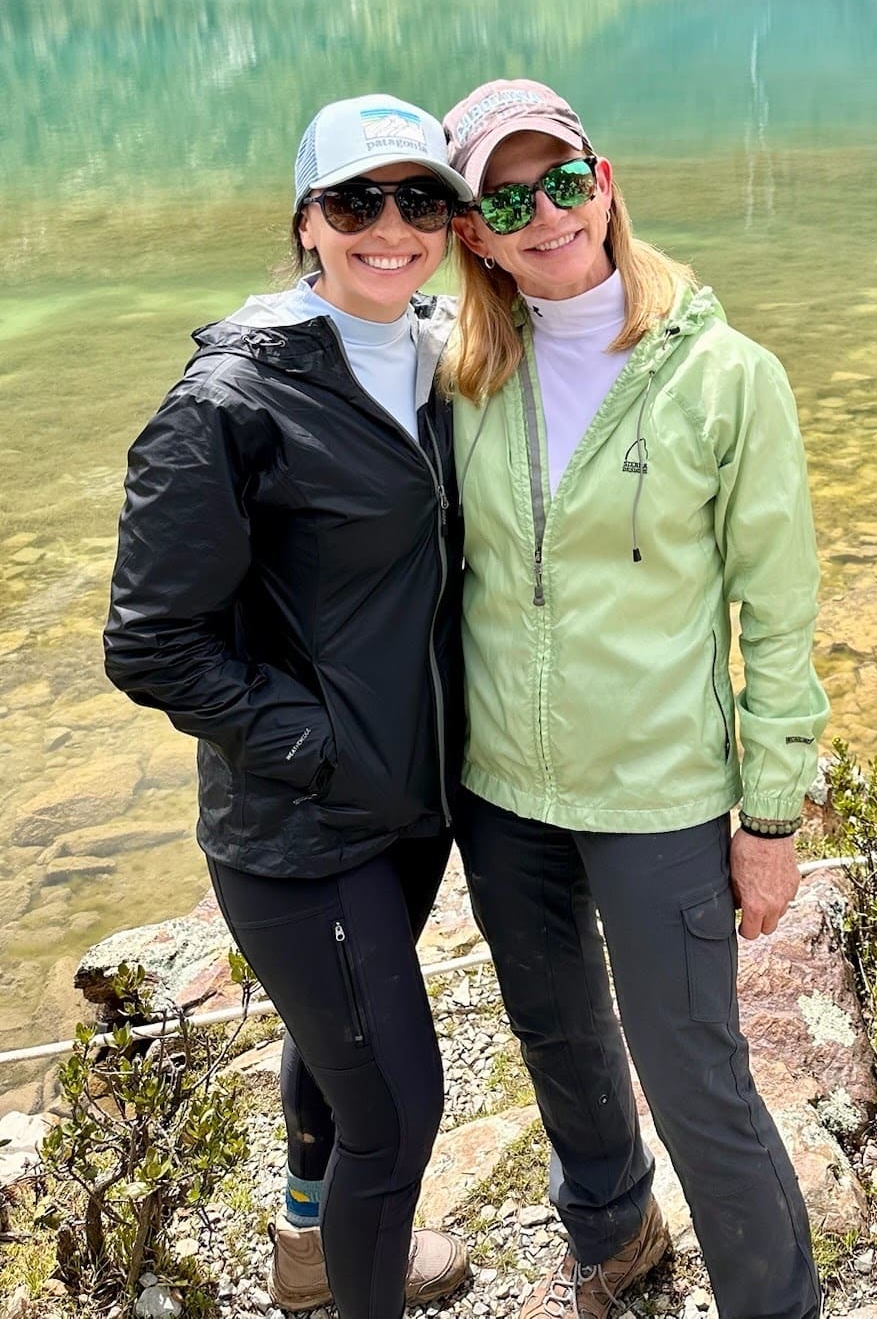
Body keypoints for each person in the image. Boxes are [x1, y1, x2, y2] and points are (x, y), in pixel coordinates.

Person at [444, 77, 830, 1319]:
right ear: (474, 232)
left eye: (563, 179)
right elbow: (332, 314)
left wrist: (769, 815)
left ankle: (775, 1301)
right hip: (503, 791)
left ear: (603, 181)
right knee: (559, 1042)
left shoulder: (727, 377)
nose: (545, 212)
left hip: (660, 792)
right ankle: (614, 1233)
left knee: (696, 1072)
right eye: (508, 197)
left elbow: (778, 613)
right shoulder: (456, 374)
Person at [103, 95, 476, 1319]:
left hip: (404, 806)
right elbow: (151, 640)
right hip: (303, 828)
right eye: (356, 201)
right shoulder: (227, 402)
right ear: (307, 220)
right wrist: (311, 745)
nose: (391, 227)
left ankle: (309, 1247)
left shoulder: (429, 352)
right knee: (401, 1107)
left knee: (337, 1053)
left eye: (420, 199)